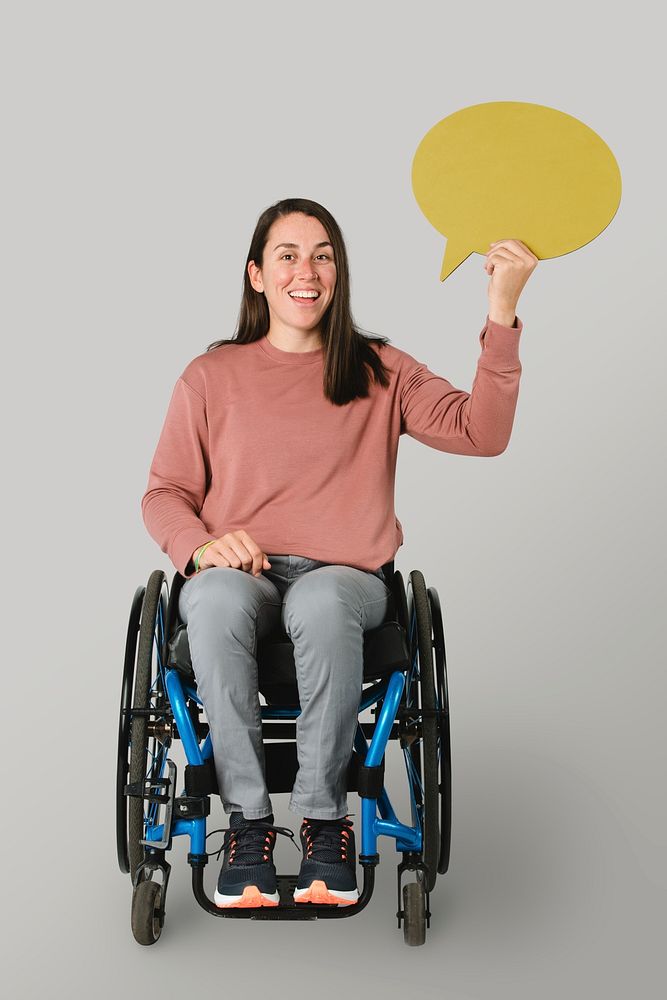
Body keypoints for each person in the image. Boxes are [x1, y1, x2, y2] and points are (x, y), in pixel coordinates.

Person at [141, 197, 538, 908]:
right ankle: (249, 825)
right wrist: (200, 546)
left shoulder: (380, 370)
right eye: (288, 255)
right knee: (209, 594)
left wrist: (501, 313)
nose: (308, 270)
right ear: (256, 275)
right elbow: (165, 492)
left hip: (347, 582)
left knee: (323, 597)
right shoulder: (211, 378)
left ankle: (325, 823)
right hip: (244, 576)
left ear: (339, 272)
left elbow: (481, 433)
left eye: (323, 254)